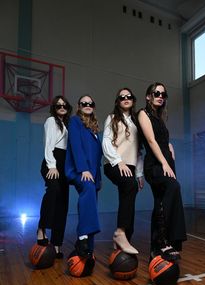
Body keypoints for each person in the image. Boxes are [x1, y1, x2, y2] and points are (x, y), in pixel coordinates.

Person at [137, 82, 186, 261]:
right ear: (148, 96)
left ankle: (154, 250)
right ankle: (165, 240)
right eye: (156, 93)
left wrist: (170, 145)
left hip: (167, 162)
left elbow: (161, 138)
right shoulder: (143, 113)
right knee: (174, 188)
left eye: (163, 94)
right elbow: (150, 140)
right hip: (156, 165)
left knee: (159, 203)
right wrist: (164, 163)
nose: (160, 96)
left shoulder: (160, 117)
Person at [102, 88, 144, 254]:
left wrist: (139, 173)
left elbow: (138, 151)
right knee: (130, 186)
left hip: (131, 166)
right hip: (114, 163)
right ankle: (120, 233)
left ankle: (125, 241)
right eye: (122, 97)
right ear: (118, 101)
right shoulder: (112, 118)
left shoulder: (136, 123)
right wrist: (118, 161)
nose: (126, 99)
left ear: (133, 100)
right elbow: (105, 142)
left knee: (129, 196)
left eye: (129, 97)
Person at [65, 95, 102, 258]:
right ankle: (81, 238)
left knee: (91, 206)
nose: (87, 105)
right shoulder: (74, 121)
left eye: (90, 103)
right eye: (84, 103)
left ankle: (89, 249)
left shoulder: (94, 129)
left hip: (94, 175)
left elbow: (97, 156)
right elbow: (75, 145)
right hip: (78, 170)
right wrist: (83, 169)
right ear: (79, 106)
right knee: (87, 188)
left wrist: (97, 177)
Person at [37, 95, 72, 258]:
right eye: (58, 106)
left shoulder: (68, 124)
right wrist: (52, 165)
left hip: (64, 165)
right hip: (53, 162)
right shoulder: (51, 121)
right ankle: (41, 228)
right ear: (54, 108)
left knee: (63, 204)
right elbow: (48, 144)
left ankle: (57, 244)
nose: (62, 107)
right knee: (53, 190)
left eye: (64, 105)